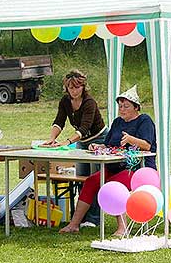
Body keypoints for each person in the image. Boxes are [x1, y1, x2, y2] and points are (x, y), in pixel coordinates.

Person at [59, 85, 157, 236]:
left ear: (136, 107)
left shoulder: (144, 120)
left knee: (114, 185)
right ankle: (74, 224)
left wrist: (131, 139)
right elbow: (109, 144)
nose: (122, 109)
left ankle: (122, 228)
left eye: (126, 106)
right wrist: (98, 145)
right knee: (91, 181)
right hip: (115, 166)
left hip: (137, 169)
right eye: (120, 106)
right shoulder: (118, 122)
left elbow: (147, 145)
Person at [42, 69, 108, 226]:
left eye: (77, 87)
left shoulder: (89, 102)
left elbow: (84, 127)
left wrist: (67, 141)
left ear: (83, 87)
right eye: (71, 88)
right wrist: (51, 139)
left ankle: (94, 218)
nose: (74, 91)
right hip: (82, 142)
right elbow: (59, 121)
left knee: (94, 180)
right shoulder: (65, 101)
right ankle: (81, 217)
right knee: (81, 179)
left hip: (98, 140)